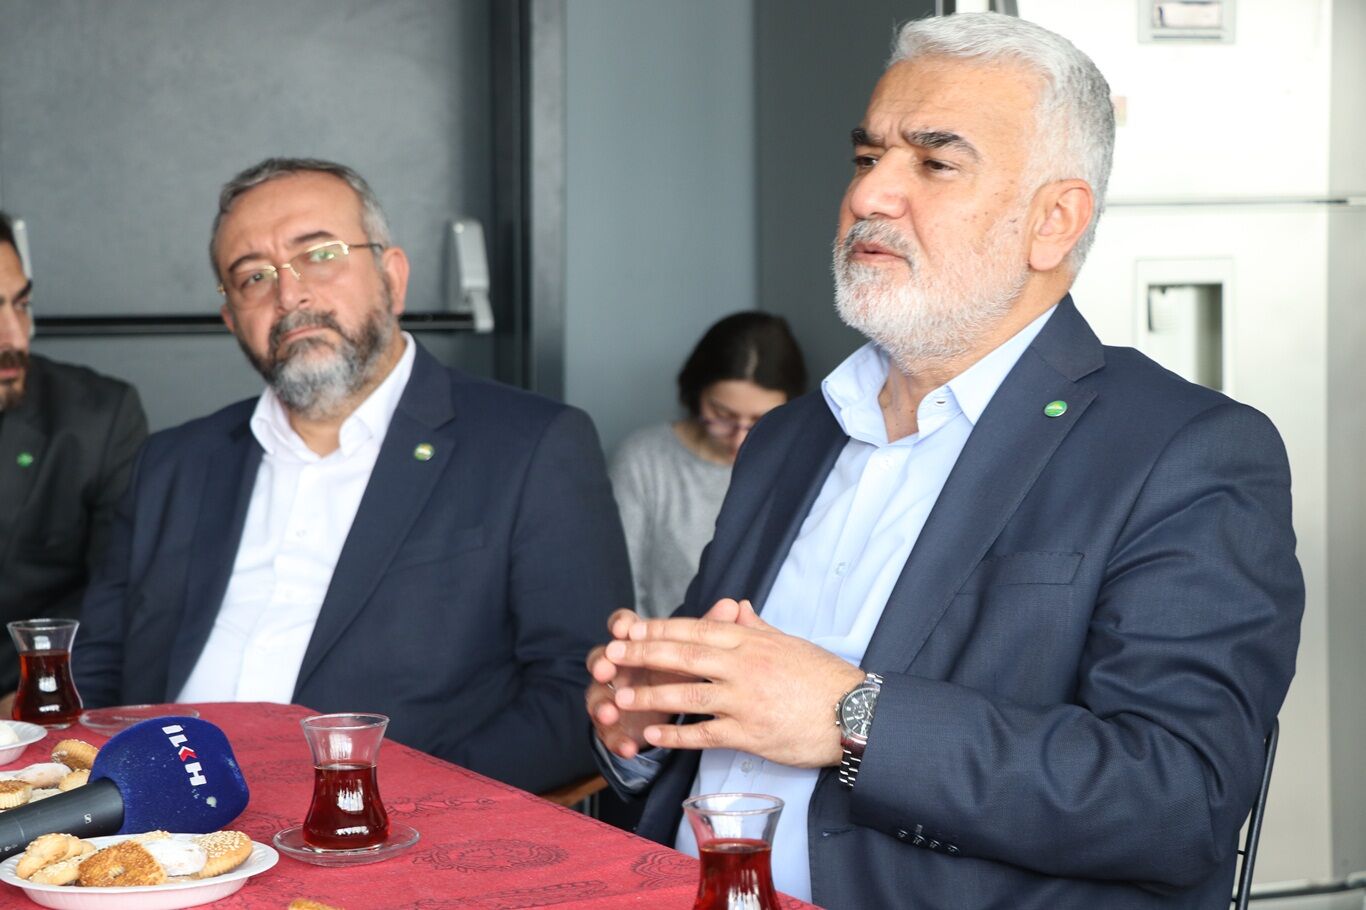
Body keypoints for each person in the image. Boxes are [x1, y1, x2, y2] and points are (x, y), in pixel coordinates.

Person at [586, 13, 1303, 909]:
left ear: (1053, 222)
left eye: (933, 163)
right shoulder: (788, 438)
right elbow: (705, 729)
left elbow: (1177, 798)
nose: (870, 194)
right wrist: (647, 727)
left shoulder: (1184, 452)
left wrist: (849, 719)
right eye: (866, 157)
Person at [73, 158, 632, 794]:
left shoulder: (531, 446)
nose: (290, 295)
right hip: (156, 823)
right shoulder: (173, 463)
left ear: (393, 277)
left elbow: (576, 691)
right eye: (254, 276)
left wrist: (384, 806)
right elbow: (95, 668)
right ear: (231, 319)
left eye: (320, 255)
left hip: (384, 828)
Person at [0, 210, 147, 695]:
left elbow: (121, 603)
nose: (15, 337)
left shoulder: (98, 418)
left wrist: (27, 704)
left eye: (21, 304)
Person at [610, 311, 806, 618]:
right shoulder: (644, 460)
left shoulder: (800, 466)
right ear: (696, 392)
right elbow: (619, 589)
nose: (740, 439)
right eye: (722, 416)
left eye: (761, 421)